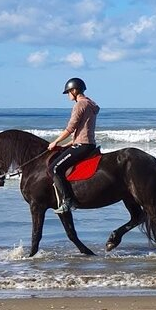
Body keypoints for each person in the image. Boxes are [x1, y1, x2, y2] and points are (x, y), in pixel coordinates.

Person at [47, 77, 100, 213]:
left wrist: (56, 142)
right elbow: (82, 131)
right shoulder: (90, 104)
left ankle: (68, 201)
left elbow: (70, 129)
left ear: (75, 90)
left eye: (69, 92)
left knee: (54, 169)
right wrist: (69, 143)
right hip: (88, 144)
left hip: (82, 146)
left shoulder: (79, 105)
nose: (68, 95)